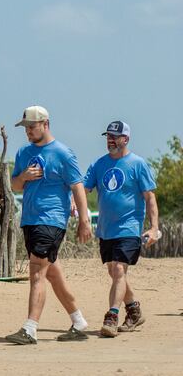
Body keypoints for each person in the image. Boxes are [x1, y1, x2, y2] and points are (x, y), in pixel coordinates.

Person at [6, 105, 93, 345]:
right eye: (25, 128)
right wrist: (23, 177)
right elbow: (14, 185)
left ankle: (30, 328)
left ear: (46, 124)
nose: (28, 132)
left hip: (52, 218)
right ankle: (78, 320)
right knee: (52, 272)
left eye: (31, 127)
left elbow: (77, 185)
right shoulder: (24, 152)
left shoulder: (63, 153)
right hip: (30, 219)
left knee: (37, 271)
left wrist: (84, 218)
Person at [83, 120, 161, 337]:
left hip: (129, 227)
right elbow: (84, 189)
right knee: (114, 272)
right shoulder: (98, 164)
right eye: (108, 136)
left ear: (125, 139)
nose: (110, 140)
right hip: (106, 229)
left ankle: (112, 317)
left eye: (115, 136)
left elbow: (150, 197)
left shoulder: (138, 164)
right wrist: (72, 201)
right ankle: (134, 310)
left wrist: (154, 228)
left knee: (119, 269)